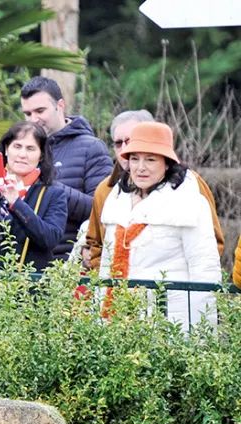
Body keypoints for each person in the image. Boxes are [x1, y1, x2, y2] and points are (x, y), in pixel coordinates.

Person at [98, 122, 219, 329]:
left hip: (169, 324)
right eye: (134, 159)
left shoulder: (189, 203)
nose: (140, 167)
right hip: (118, 320)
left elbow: (204, 272)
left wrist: (202, 335)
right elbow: (105, 269)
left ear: (167, 163)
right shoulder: (116, 200)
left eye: (151, 159)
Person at [86, 109, 225, 271]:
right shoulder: (107, 191)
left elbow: (209, 253)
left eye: (130, 140)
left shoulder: (189, 186)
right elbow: (95, 246)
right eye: (118, 143)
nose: (125, 147)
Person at [19, 76, 112, 259]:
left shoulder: (91, 148)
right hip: (19, 264)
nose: (34, 119)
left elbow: (103, 212)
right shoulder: (19, 149)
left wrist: (47, 186)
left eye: (40, 111)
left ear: (60, 106)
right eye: (28, 114)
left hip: (68, 264)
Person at [0, 121, 68, 271]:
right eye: (17, 146)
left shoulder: (54, 194)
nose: (22, 155)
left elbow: (49, 239)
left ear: (41, 156)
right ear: (6, 149)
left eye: (31, 149)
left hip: (32, 287)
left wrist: (16, 203)